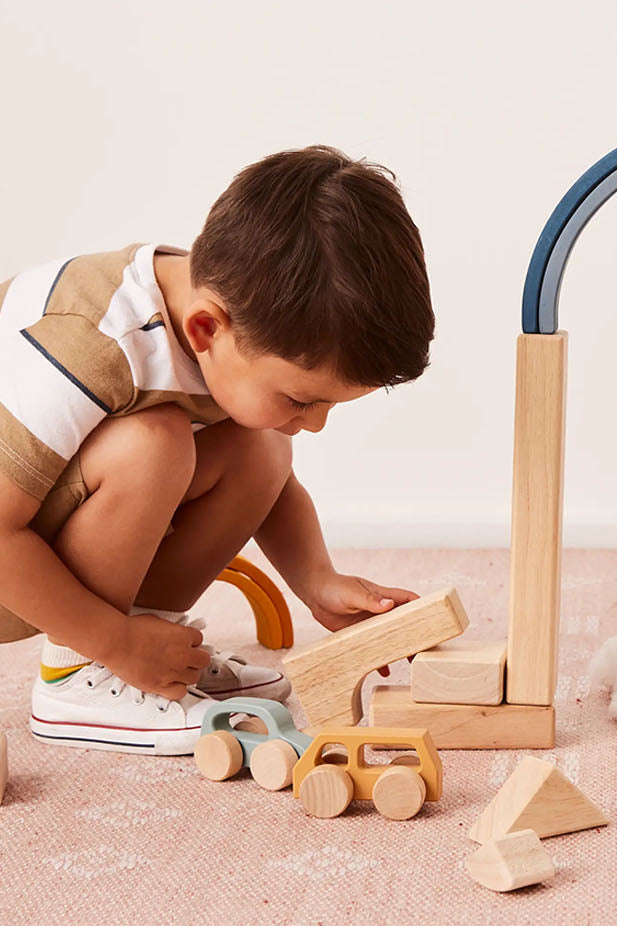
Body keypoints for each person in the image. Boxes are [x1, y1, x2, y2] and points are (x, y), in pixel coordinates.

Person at [0, 146, 434, 754]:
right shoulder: (94, 344)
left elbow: (269, 480)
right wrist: (113, 642)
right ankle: (78, 676)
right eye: (303, 400)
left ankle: (156, 646)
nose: (314, 426)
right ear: (207, 330)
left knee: (259, 446)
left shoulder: (226, 305)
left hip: (36, 541)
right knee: (155, 442)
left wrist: (317, 581)